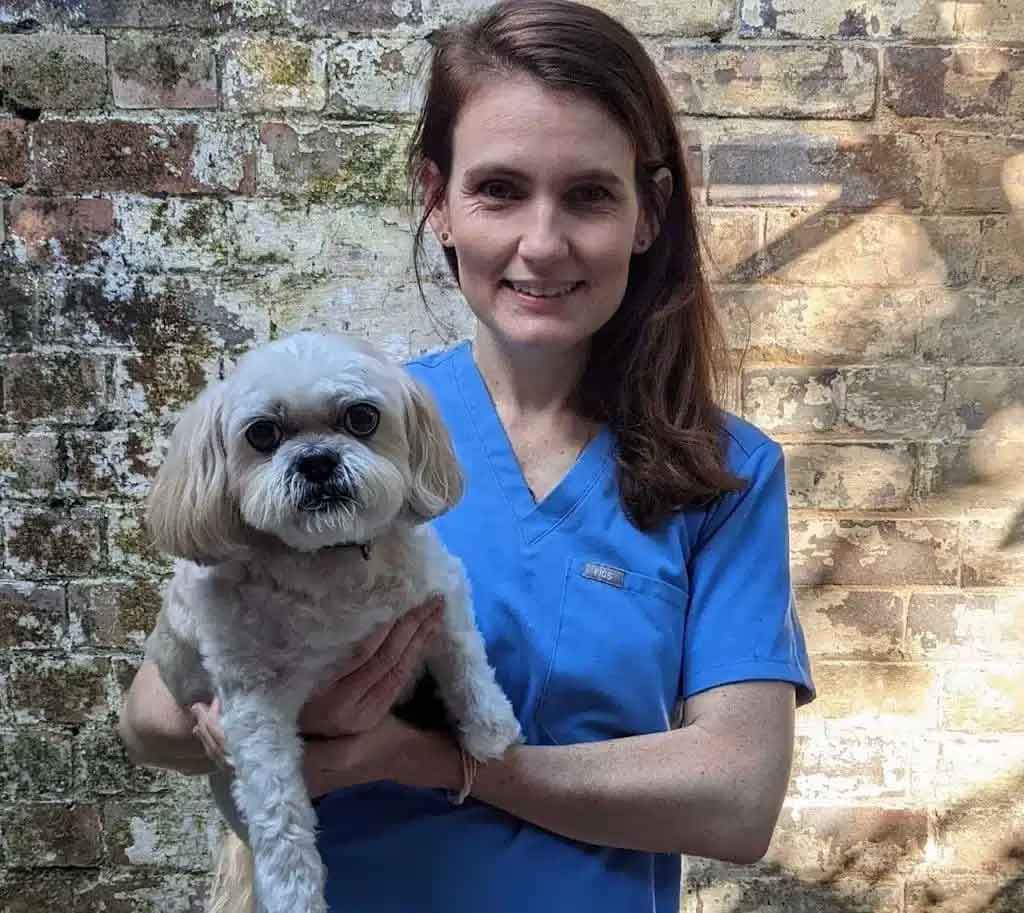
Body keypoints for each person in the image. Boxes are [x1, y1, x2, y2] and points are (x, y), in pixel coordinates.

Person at [118, 1, 816, 910]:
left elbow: (735, 799)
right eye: (499, 189)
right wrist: (279, 722)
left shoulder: (723, 471)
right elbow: (149, 719)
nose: (541, 242)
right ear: (437, 202)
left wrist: (428, 760)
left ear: (649, 214)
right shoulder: (340, 431)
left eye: (589, 195)